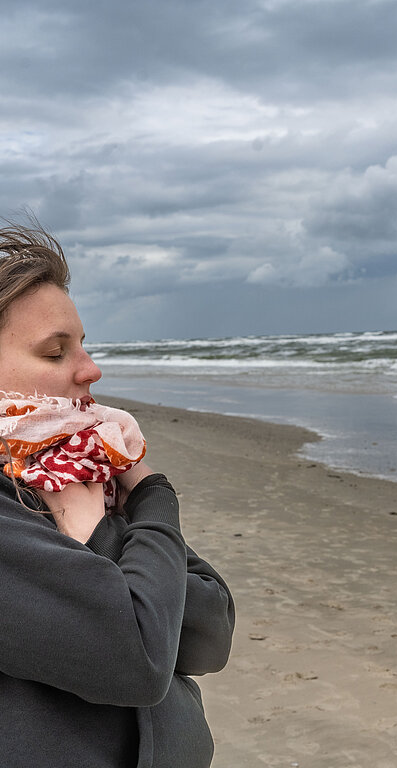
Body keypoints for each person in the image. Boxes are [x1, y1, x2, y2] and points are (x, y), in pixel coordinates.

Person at [0, 221, 235, 767]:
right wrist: (151, 492)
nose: (90, 370)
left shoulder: (79, 481)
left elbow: (211, 632)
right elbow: (140, 660)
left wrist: (99, 531)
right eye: (56, 353)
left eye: (82, 346)